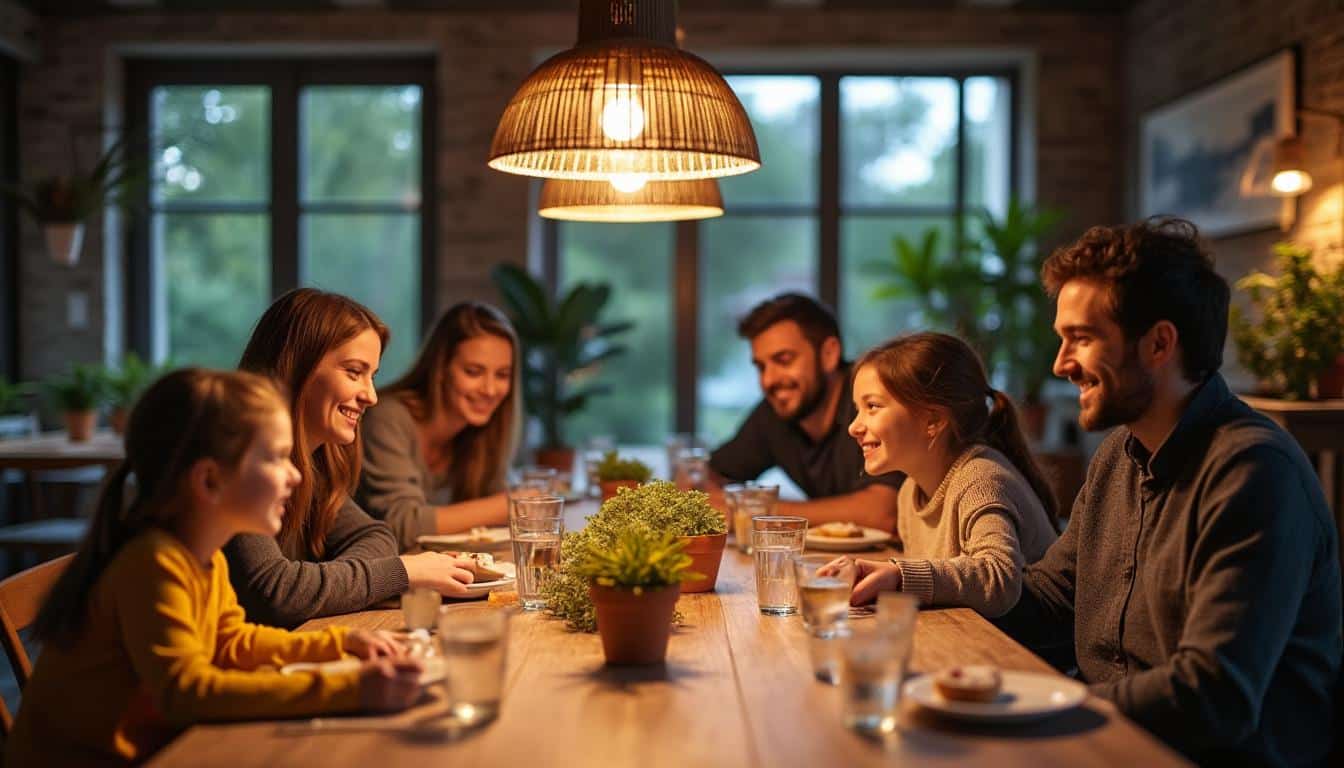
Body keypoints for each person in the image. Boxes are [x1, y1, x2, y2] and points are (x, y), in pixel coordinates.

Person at [996, 218, 1341, 766]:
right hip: (1110, 744)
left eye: (1080, 339)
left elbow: (1213, 695)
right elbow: (1052, 600)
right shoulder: (1118, 454)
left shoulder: (1252, 472)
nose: (1060, 365)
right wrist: (915, 590)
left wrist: (1046, 705)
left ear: (1159, 343)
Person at [4, 370, 423, 767]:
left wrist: (342, 645)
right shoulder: (153, 563)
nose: (296, 475)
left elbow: (231, 643)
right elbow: (187, 694)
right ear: (208, 481)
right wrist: (351, 687)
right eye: (278, 458)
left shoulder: (204, 555)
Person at [228, 288, 476, 628]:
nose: (371, 396)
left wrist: (345, 584)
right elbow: (277, 592)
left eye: (371, 376)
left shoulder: (315, 462)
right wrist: (401, 572)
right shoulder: (238, 463)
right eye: (354, 372)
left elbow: (377, 536)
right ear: (298, 365)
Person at [838, 332, 1058, 618]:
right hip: (978, 643)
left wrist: (902, 576)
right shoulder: (910, 492)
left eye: (873, 407)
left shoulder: (980, 479)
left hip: (1031, 657)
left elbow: (999, 577)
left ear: (933, 421)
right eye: (858, 409)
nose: (854, 427)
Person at [708, 293, 903, 531]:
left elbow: (883, 512)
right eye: (761, 367)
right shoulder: (775, 412)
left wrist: (755, 511)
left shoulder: (872, 400)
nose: (768, 380)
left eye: (784, 360)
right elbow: (710, 475)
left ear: (829, 354)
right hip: (828, 563)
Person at [357, 302, 520, 551]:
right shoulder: (388, 417)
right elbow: (402, 525)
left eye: (502, 375)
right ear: (441, 368)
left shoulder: (481, 432)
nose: (490, 390)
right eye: (473, 372)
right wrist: (513, 503)